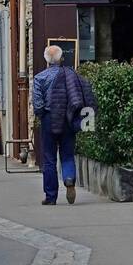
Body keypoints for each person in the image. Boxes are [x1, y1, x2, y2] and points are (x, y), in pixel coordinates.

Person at [32, 44, 97, 206]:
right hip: (68, 119)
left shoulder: (40, 78)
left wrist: (43, 116)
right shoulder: (72, 75)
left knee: (49, 159)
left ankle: (51, 196)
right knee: (67, 155)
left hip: (49, 119)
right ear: (61, 59)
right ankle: (69, 179)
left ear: (46, 60)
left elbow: (38, 104)